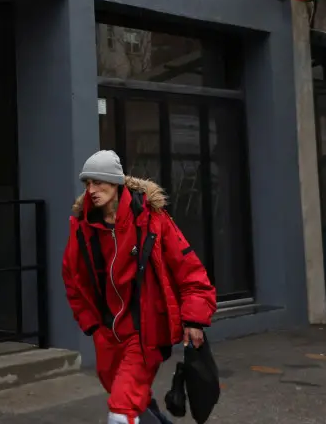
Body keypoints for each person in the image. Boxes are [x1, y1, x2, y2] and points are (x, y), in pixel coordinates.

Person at [61, 150, 217, 424]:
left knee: (121, 412)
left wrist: (194, 319)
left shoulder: (151, 219)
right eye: (88, 184)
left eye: (98, 182)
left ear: (115, 182)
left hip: (146, 333)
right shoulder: (82, 228)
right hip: (108, 334)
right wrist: (92, 325)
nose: (92, 190)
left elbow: (189, 269)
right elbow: (72, 280)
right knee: (135, 403)